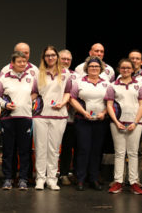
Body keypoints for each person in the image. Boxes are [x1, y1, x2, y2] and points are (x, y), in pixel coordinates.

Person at [105, 59, 142, 194]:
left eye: (128, 68)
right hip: (117, 123)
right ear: (119, 69)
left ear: (133, 70)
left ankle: (134, 182)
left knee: (133, 153)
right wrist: (116, 122)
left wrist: (135, 122)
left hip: (135, 123)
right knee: (119, 153)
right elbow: (109, 105)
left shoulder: (139, 85)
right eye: (123, 68)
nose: (125, 70)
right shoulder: (112, 86)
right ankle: (118, 181)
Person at [0, 51, 38, 190]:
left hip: (25, 118)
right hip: (8, 118)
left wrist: (26, 102)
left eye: (24, 61)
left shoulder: (31, 77)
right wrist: (4, 105)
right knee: (8, 151)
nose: (22, 64)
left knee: (24, 151)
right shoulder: (4, 78)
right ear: (12, 63)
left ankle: (23, 179)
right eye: (19, 62)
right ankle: (8, 178)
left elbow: (36, 93)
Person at [32, 46, 71, 190]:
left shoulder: (66, 73)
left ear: (57, 57)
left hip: (59, 115)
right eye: (47, 55)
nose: (50, 58)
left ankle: (52, 179)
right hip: (40, 115)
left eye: (53, 55)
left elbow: (68, 92)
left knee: (54, 149)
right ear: (44, 58)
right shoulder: (38, 73)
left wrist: (63, 102)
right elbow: (34, 93)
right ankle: (40, 179)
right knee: (41, 148)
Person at [70, 56, 110, 191]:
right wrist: (82, 112)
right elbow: (72, 99)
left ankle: (93, 179)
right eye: (91, 66)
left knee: (96, 151)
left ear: (101, 69)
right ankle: (80, 179)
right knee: (83, 149)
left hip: (100, 121)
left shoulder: (107, 83)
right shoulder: (79, 82)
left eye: (97, 67)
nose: (94, 68)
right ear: (87, 68)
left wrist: (104, 113)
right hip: (83, 121)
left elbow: (111, 102)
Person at [58, 49, 79, 186]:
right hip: (52, 115)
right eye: (63, 59)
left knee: (68, 147)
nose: (66, 61)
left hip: (70, 118)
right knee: (51, 148)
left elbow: (77, 94)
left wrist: (70, 103)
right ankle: (48, 174)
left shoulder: (76, 76)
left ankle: (65, 173)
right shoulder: (51, 73)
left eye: (68, 59)